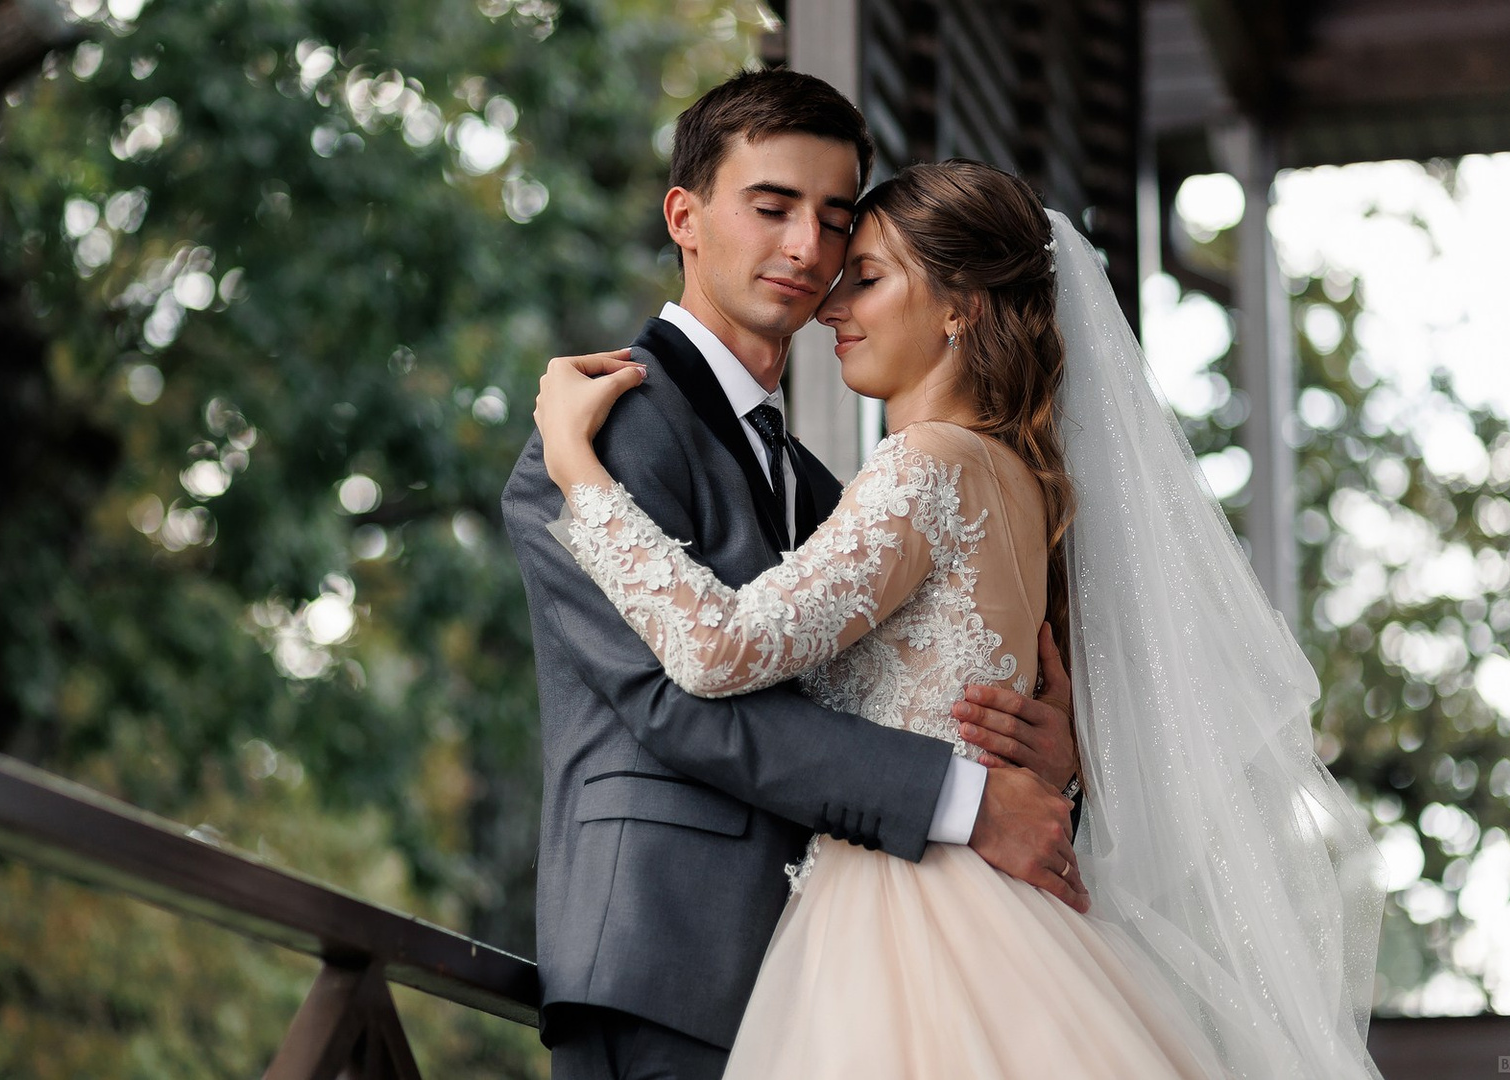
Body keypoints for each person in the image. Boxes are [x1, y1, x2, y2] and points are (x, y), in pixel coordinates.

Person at [533, 160, 1387, 1078]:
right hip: (999, 913)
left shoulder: (922, 469)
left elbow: (719, 647)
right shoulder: (1020, 482)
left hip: (905, 915)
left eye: (866, 278)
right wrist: (1061, 761)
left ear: (959, 307)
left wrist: (576, 465)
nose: (831, 305)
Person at [499, 71, 1089, 1080]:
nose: (810, 250)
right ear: (684, 217)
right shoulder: (597, 439)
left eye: (834, 220)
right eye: (771, 207)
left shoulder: (833, 484)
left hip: (840, 971)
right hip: (666, 959)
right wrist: (966, 800)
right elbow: (678, 706)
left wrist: (1046, 759)